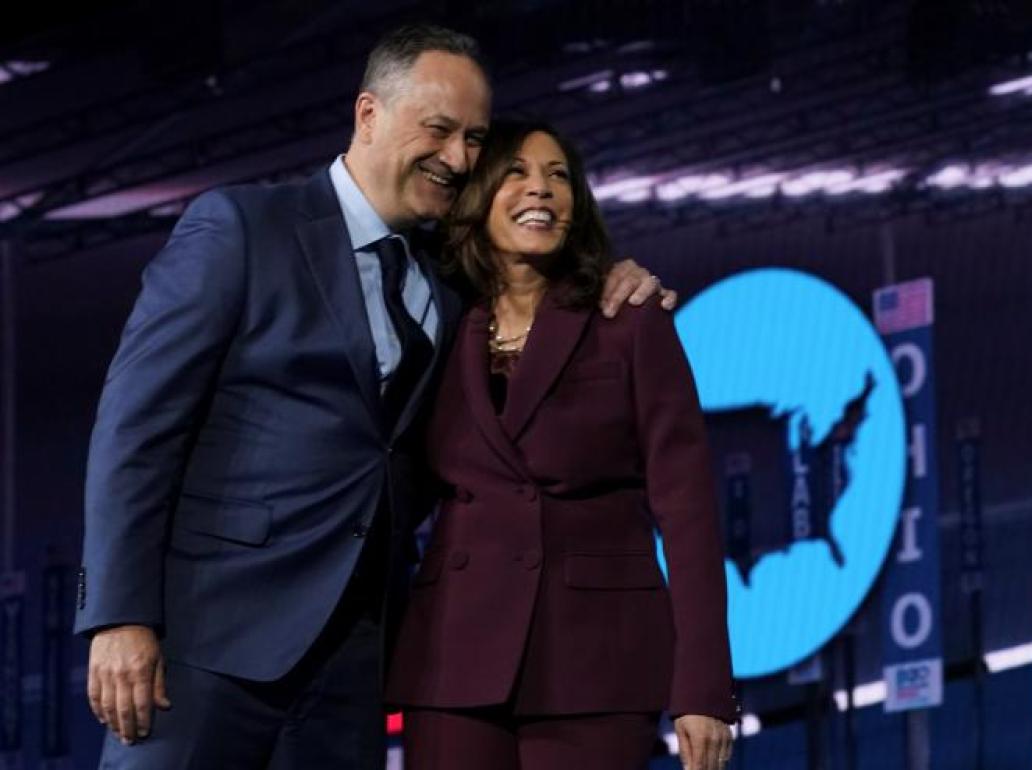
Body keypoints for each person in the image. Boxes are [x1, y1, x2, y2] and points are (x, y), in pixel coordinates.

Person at [74, 25, 671, 770]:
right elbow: (136, 429)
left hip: (355, 663)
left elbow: (539, 282)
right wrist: (119, 615)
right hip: (206, 647)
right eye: (439, 130)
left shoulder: (454, 276)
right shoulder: (243, 228)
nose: (459, 158)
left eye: (473, 139)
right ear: (368, 114)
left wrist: (615, 276)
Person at [385, 120, 736, 770]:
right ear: (477, 196)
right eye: (516, 173)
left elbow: (688, 515)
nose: (540, 189)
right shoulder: (439, 318)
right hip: (453, 658)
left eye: (558, 176)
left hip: (595, 662)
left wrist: (704, 686)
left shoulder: (628, 320)